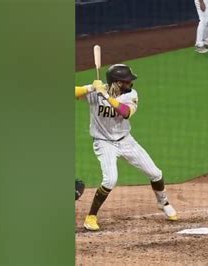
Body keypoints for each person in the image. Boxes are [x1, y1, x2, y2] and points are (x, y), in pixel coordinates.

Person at [75, 64, 177, 231]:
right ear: (117, 83)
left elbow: (125, 112)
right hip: (104, 143)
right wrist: (91, 87)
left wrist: (106, 95)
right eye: (127, 81)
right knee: (110, 180)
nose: (131, 84)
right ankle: (91, 217)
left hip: (126, 140)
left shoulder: (131, 95)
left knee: (155, 173)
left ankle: (163, 202)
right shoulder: (97, 91)